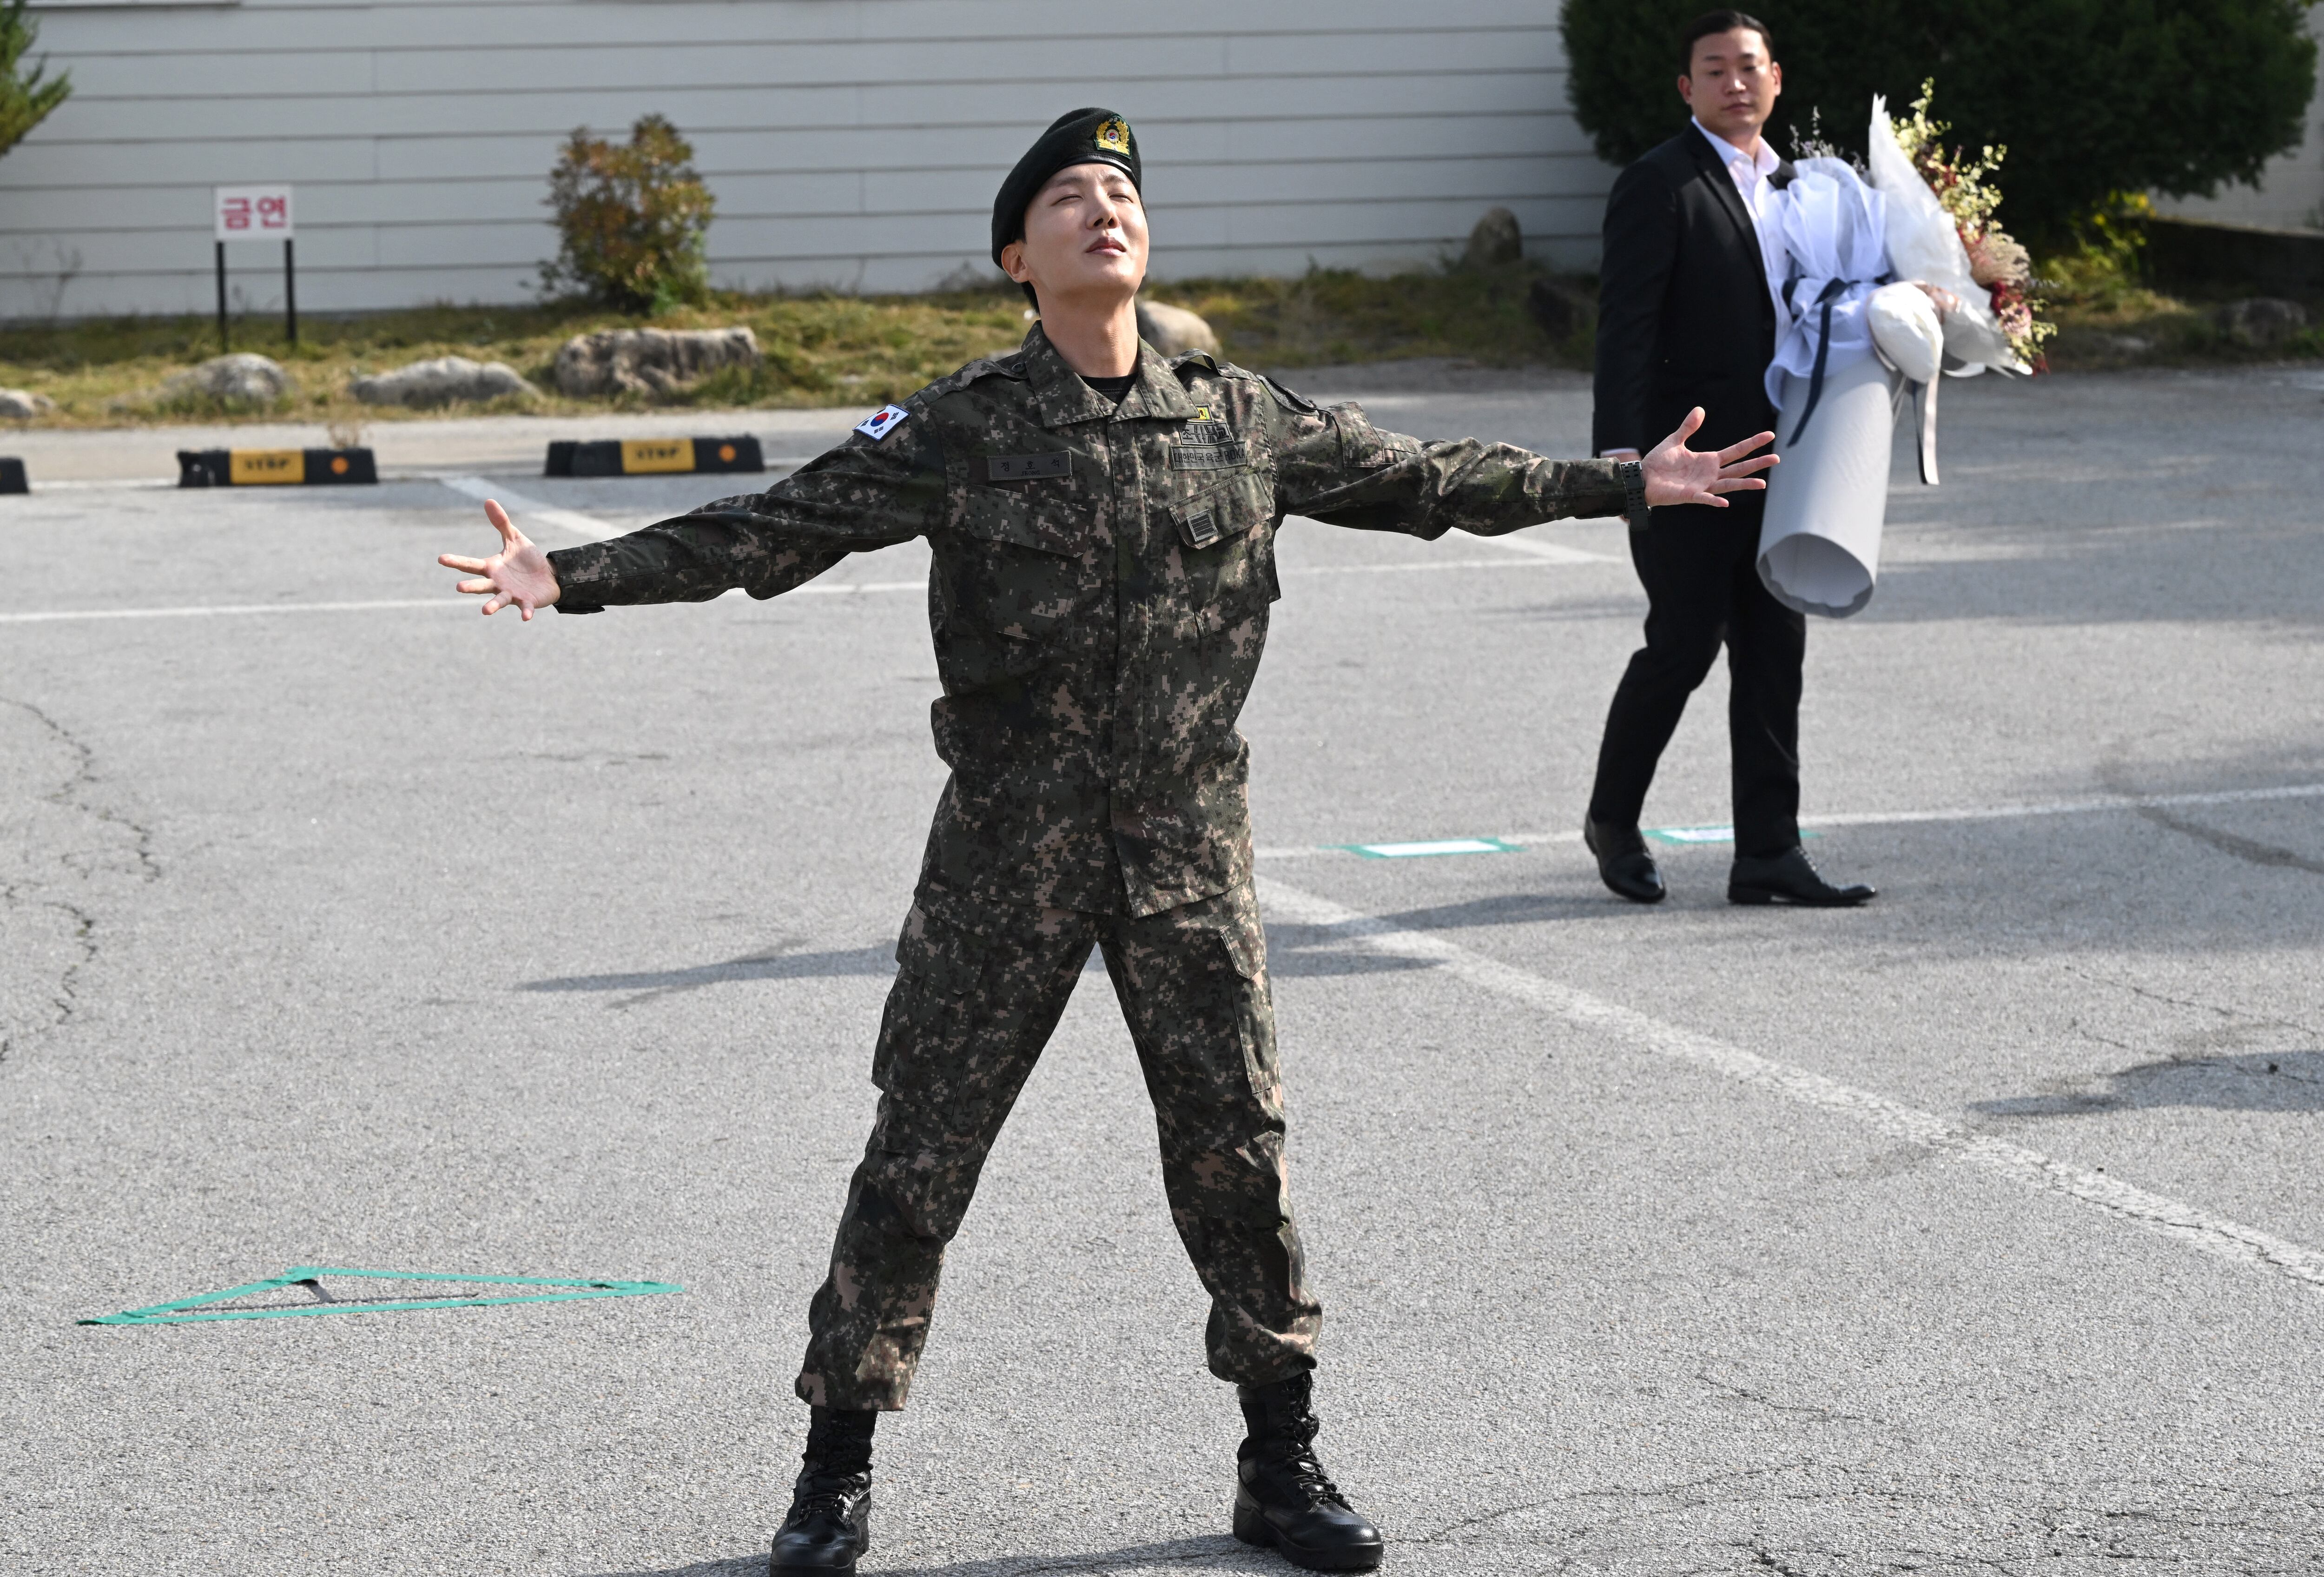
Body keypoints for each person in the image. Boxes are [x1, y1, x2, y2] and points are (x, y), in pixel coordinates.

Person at [438, 108, 1773, 1575]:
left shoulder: (1235, 416)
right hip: (1005, 860)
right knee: (919, 1162)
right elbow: (774, 531)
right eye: (1070, 196)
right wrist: (571, 575)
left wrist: (1626, 480)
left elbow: (1431, 479)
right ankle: (833, 1478)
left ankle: (1281, 1462)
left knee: (1237, 1158)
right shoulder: (964, 428)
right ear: (1020, 258)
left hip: (1189, 858)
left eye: (1122, 191)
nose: (1104, 209)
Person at [1585, 10, 1876, 908]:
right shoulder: (1659, 183)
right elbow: (1625, 329)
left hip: (1787, 458)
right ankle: (1613, 820)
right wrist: (1625, 466)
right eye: (1715, 70)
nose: (1735, 83)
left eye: (1750, 67)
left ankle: (1769, 852)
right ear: (1688, 88)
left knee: (1775, 648)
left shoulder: (1810, 188)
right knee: (1684, 642)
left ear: (1776, 79)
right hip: (1687, 463)